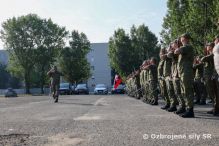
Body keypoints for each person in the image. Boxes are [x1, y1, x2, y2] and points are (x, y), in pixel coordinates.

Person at [174, 33, 194, 118]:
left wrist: (177, 47)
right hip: (182, 72)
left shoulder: (188, 47)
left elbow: (176, 51)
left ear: (186, 39)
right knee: (183, 91)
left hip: (187, 72)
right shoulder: (183, 47)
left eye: (182, 38)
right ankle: (186, 108)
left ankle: (190, 110)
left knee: (187, 91)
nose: (181, 39)